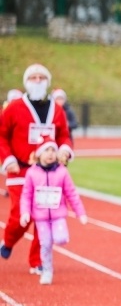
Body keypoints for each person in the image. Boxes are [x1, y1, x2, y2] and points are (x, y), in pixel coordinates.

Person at [0, 64, 73, 273]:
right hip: (20, 172)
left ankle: (38, 260)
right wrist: (8, 159)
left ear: (48, 82)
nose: (38, 80)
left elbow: (64, 135)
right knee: (21, 216)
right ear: (26, 82)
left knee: (44, 216)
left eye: (42, 77)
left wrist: (65, 150)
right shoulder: (14, 108)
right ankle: (8, 241)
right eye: (33, 77)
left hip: (47, 174)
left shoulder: (56, 110)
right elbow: (1, 136)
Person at [19, 137, 87, 285]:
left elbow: (71, 193)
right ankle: (47, 271)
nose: (50, 154)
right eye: (46, 150)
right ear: (39, 154)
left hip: (58, 215)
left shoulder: (62, 172)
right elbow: (26, 195)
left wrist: (80, 212)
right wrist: (24, 212)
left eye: (53, 150)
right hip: (41, 217)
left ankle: (57, 242)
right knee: (46, 244)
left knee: (61, 238)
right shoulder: (32, 173)